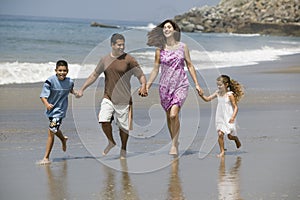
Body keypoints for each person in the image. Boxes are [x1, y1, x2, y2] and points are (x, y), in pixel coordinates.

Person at [76, 33, 147, 159]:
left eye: (123, 44)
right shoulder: (104, 60)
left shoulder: (129, 60)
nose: (121, 47)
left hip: (124, 99)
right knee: (103, 120)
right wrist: (82, 89)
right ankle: (111, 141)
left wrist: (143, 86)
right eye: (119, 45)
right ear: (112, 45)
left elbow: (141, 75)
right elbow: (94, 75)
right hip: (108, 97)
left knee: (123, 129)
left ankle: (123, 149)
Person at [146, 19, 203, 155]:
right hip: (165, 87)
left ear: (174, 30)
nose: (166, 29)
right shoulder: (159, 51)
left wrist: (196, 84)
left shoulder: (183, 47)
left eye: (169, 27)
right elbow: (155, 69)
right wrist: (147, 85)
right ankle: (175, 140)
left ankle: (173, 145)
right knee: (168, 116)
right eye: (164, 27)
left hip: (181, 85)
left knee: (173, 115)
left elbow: (189, 65)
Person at [39, 60, 77, 164]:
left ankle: (46, 157)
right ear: (56, 70)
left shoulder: (70, 81)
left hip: (60, 110)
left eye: (64, 70)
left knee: (51, 130)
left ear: (67, 71)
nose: (62, 73)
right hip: (51, 109)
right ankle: (63, 139)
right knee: (55, 129)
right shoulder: (50, 81)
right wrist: (47, 104)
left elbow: (70, 89)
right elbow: (42, 96)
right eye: (60, 70)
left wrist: (75, 93)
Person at [199, 75, 244, 157]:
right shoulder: (217, 93)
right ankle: (222, 151)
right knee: (220, 134)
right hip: (220, 117)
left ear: (226, 84)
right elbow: (207, 99)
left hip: (229, 117)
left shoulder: (230, 95)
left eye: (220, 85)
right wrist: (201, 95)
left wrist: (233, 117)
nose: (218, 87)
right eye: (217, 85)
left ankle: (235, 139)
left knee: (230, 136)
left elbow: (236, 107)